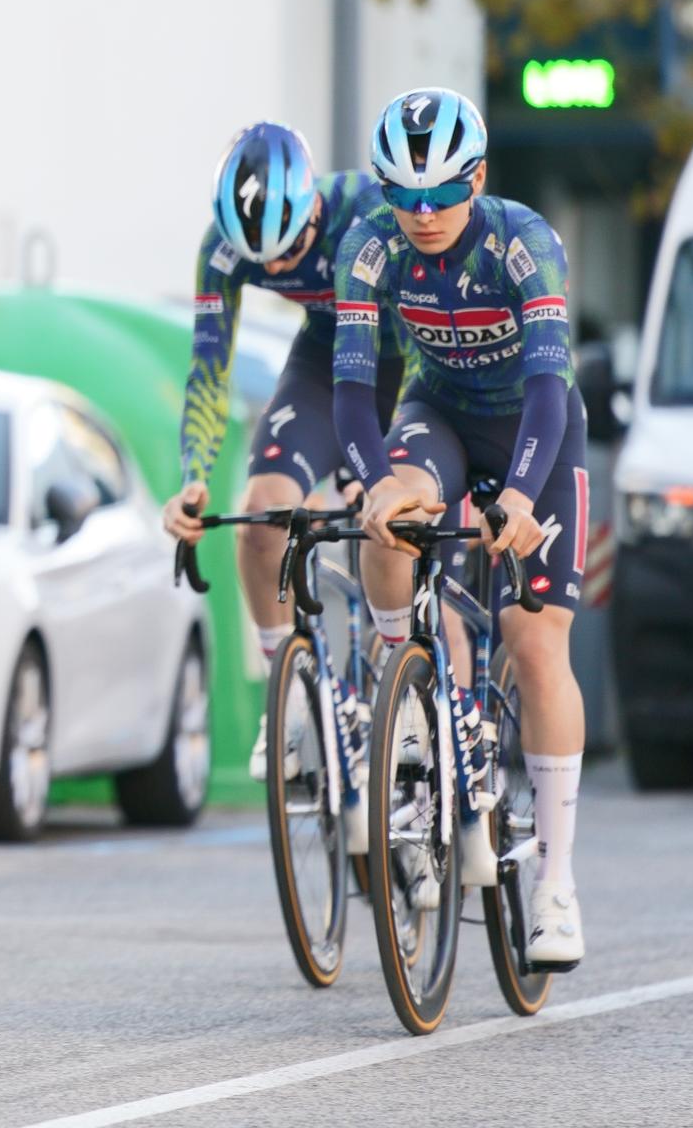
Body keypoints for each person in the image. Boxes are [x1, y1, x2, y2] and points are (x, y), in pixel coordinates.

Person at [332, 87, 586, 966]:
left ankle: (555, 884)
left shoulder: (525, 242)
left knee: (533, 637)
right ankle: (405, 683)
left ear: (477, 177)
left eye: (441, 193)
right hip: (435, 412)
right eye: (403, 196)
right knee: (387, 518)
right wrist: (375, 487)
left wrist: (516, 497)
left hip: (534, 431)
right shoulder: (366, 247)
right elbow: (353, 392)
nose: (424, 213)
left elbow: (552, 392)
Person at [159, 122, 407, 829]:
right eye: (269, 260)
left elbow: (428, 330)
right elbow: (210, 369)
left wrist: (379, 470)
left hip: (411, 360)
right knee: (263, 516)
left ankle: (415, 701)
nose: (286, 262)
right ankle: (291, 696)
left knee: (391, 527)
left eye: (296, 246)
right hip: (329, 361)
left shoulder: (369, 211)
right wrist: (193, 477)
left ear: (313, 213)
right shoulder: (222, 249)